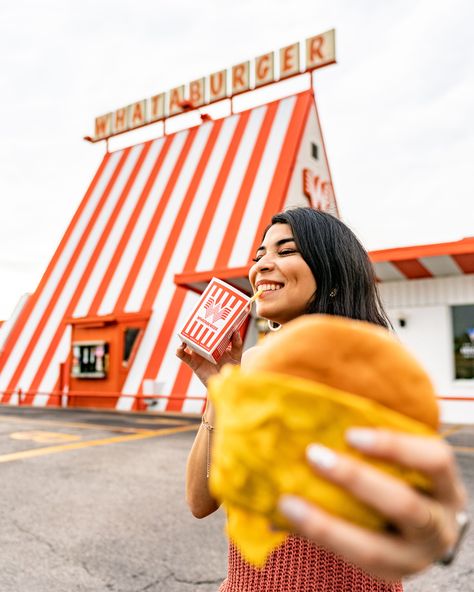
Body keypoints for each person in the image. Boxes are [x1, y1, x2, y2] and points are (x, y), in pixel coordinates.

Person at [177, 207, 469, 591]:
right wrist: (220, 386)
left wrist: (436, 529)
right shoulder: (249, 362)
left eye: (286, 251)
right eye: (260, 255)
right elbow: (201, 503)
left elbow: (415, 505)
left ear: (330, 273)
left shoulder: (368, 366)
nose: (263, 264)